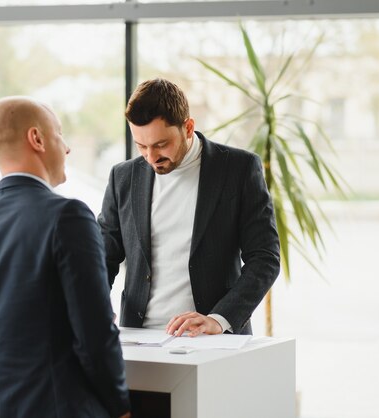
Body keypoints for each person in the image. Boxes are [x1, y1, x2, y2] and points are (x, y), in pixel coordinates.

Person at [0, 97, 131, 418]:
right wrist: (120, 407)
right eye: (59, 134)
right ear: (37, 139)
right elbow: (95, 335)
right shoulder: (68, 216)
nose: (67, 148)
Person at [98, 78, 280, 337]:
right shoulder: (123, 177)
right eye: (141, 146)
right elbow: (103, 255)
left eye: (161, 145)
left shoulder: (238, 169)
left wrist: (219, 319)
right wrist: (94, 305)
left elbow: (265, 257)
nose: (151, 157)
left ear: (188, 127)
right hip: (138, 339)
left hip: (213, 339)